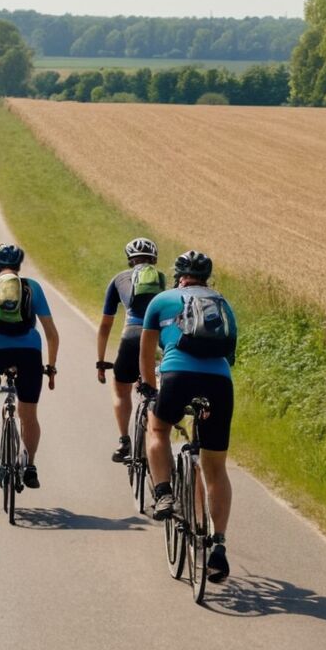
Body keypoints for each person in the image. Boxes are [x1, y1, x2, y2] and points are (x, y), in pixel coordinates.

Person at [139, 249, 237, 583]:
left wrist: (151, 389)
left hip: (178, 375)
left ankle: (164, 492)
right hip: (220, 383)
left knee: (158, 428)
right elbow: (230, 351)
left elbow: (146, 350)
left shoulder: (162, 300)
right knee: (215, 466)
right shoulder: (223, 303)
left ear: (178, 276)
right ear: (207, 279)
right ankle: (219, 547)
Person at [0, 243, 60, 489]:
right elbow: (52, 334)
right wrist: (50, 367)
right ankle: (30, 466)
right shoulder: (32, 287)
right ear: (19, 266)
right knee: (28, 414)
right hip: (29, 352)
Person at [96, 237, 166, 461]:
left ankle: (124, 440)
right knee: (155, 388)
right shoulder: (162, 279)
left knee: (120, 388)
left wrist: (101, 360)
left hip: (132, 337)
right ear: (153, 259)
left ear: (130, 261)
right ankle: (158, 434)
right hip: (158, 339)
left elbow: (106, 324)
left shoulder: (119, 279)